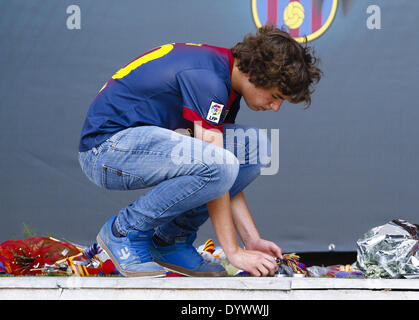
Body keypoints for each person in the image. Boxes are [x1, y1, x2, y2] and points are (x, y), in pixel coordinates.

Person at [78, 26, 322, 277]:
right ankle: (123, 231)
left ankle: (170, 241)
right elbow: (218, 168)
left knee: (253, 146)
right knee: (219, 162)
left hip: (135, 145)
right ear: (258, 75)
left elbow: (224, 176)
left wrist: (252, 240)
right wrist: (234, 252)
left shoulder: (228, 81)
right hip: (105, 150)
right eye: (275, 96)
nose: (275, 107)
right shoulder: (209, 81)